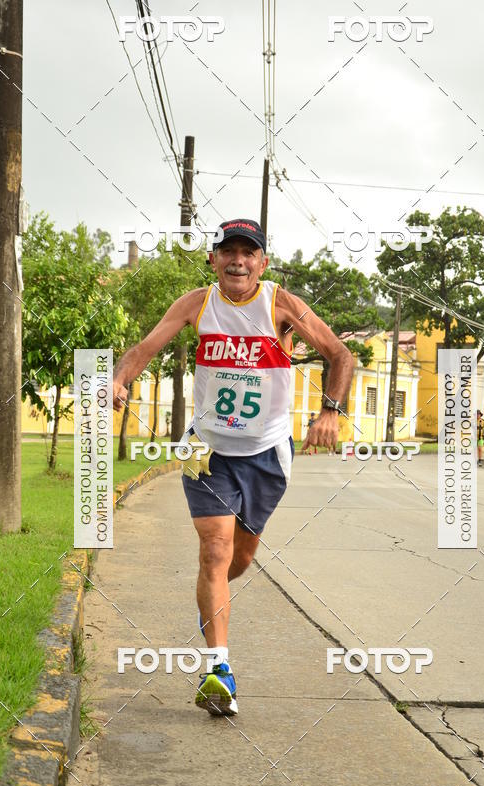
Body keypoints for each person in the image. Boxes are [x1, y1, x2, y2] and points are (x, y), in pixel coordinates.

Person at [112, 218, 354, 716]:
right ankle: (218, 669)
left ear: (262, 263)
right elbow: (143, 349)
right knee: (214, 553)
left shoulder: (281, 305)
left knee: (239, 559)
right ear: (213, 259)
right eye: (228, 252)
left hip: (267, 454)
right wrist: (119, 378)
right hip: (207, 451)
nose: (237, 261)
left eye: (248, 253)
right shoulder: (195, 304)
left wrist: (331, 411)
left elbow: (340, 354)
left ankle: (214, 592)